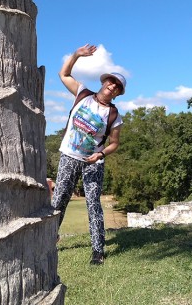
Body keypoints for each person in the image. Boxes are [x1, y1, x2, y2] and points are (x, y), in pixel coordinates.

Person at [51, 44, 126, 265]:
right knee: (58, 200)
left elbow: (114, 144)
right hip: (69, 156)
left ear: (119, 93)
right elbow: (63, 74)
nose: (112, 86)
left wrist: (100, 155)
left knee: (93, 203)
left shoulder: (114, 115)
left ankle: (97, 251)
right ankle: (48, 240)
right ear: (104, 82)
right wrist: (76, 55)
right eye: (111, 81)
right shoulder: (82, 94)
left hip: (93, 162)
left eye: (117, 87)